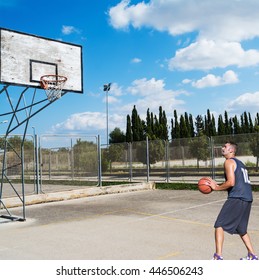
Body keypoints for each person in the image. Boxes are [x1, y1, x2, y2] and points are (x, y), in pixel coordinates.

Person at [207, 141, 258, 260]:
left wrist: (216, 187)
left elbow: (231, 182)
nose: (222, 148)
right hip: (247, 198)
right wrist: (219, 185)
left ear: (231, 150)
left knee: (219, 224)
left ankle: (218, 257)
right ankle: (252, 255)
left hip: (237, 198)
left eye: (225, 146)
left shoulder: (228, 162)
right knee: (242, 229)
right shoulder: (240, 163)